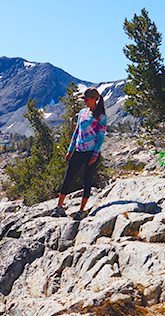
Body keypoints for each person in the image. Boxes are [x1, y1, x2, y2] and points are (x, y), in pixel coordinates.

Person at [54, 87, 107, 220]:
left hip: (91, 153)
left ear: (94, 99)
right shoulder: (82, 113)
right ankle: (59, 207)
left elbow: (101, 137)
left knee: (87, 181)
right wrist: (69, 150)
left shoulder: (101, 116)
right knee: (68, 178)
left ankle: (81, 211)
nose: (85, 102)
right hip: (78, 150)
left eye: (87, 99)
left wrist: (95, 155)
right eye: (84, 99)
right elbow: (76, 132)